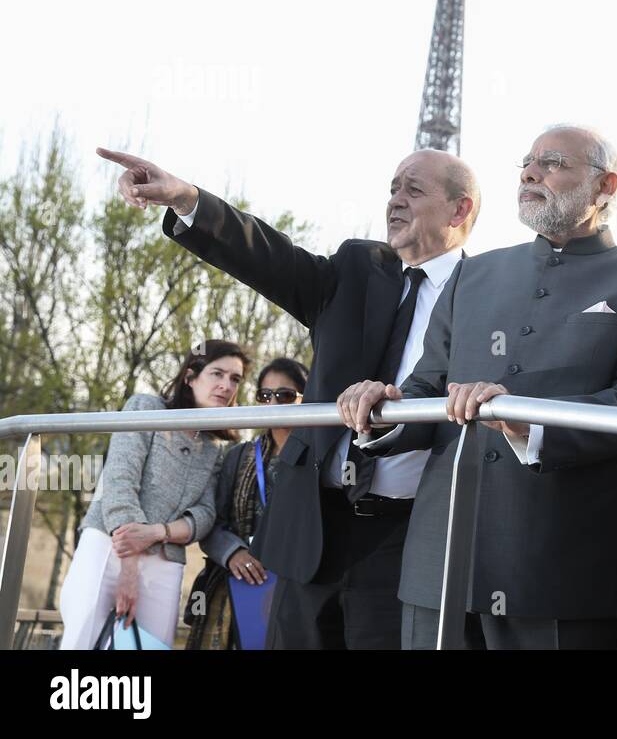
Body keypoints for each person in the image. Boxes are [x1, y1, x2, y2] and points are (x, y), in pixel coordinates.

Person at [96, 145, 479, 649]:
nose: (395, 201)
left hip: (411, 537)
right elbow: (267, 257)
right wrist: (188, 198)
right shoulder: (356, 269)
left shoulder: (485, 295)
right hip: (313, 531)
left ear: (460, 209)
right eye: (391, 189)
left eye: (413, 189)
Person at [338, 124, 617, 650]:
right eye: (527, 162)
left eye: (552, 162)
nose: (530, 172)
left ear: (605, 185)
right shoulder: (472, 275)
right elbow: (427, 385)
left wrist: (529, 423)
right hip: (442, 557)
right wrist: (380, 409)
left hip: (563, 567)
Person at [58, 340, 245, 650]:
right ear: (190, 376)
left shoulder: (214, 448)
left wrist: (157, 532)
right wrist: (128, 567)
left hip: (166, 559)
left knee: (151, 648)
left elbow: (205, 515)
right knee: (83, 644)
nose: (226, 386)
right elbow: (120, 481)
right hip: (109, 547)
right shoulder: (146, 408)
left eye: (235, 379)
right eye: (217, 374)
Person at [186, 357, 309, 649]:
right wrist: (232, 553)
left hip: (300, 590)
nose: (273, 403)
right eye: (265, 396)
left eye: (285, 395)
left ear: (307, 399)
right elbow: (212, 523)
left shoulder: (320, 459)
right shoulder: (238, 457)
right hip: (241, 590)